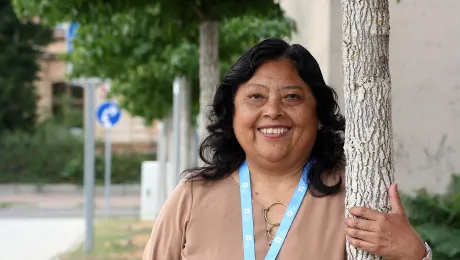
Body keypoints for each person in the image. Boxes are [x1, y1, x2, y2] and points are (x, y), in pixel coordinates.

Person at [142, 38, 432, 260]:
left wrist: (414, 253)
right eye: (256, 96)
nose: (273, 111)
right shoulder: (192, 196)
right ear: (232, 114)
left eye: (291, 97)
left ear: (318, 114)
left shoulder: (356, 194)